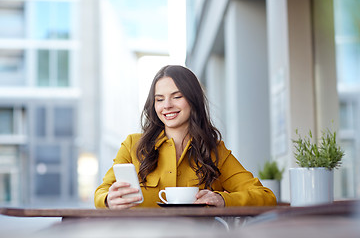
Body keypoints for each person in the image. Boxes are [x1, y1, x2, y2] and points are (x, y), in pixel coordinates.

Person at [94, 65, 276, 209]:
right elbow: (101, 192)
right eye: (159, 99)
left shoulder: (215, 151)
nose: (167, 105)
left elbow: (266, 196)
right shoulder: (132, 145)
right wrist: (109, 200)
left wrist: (222, 199)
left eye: (177, 96)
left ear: (192, 100)